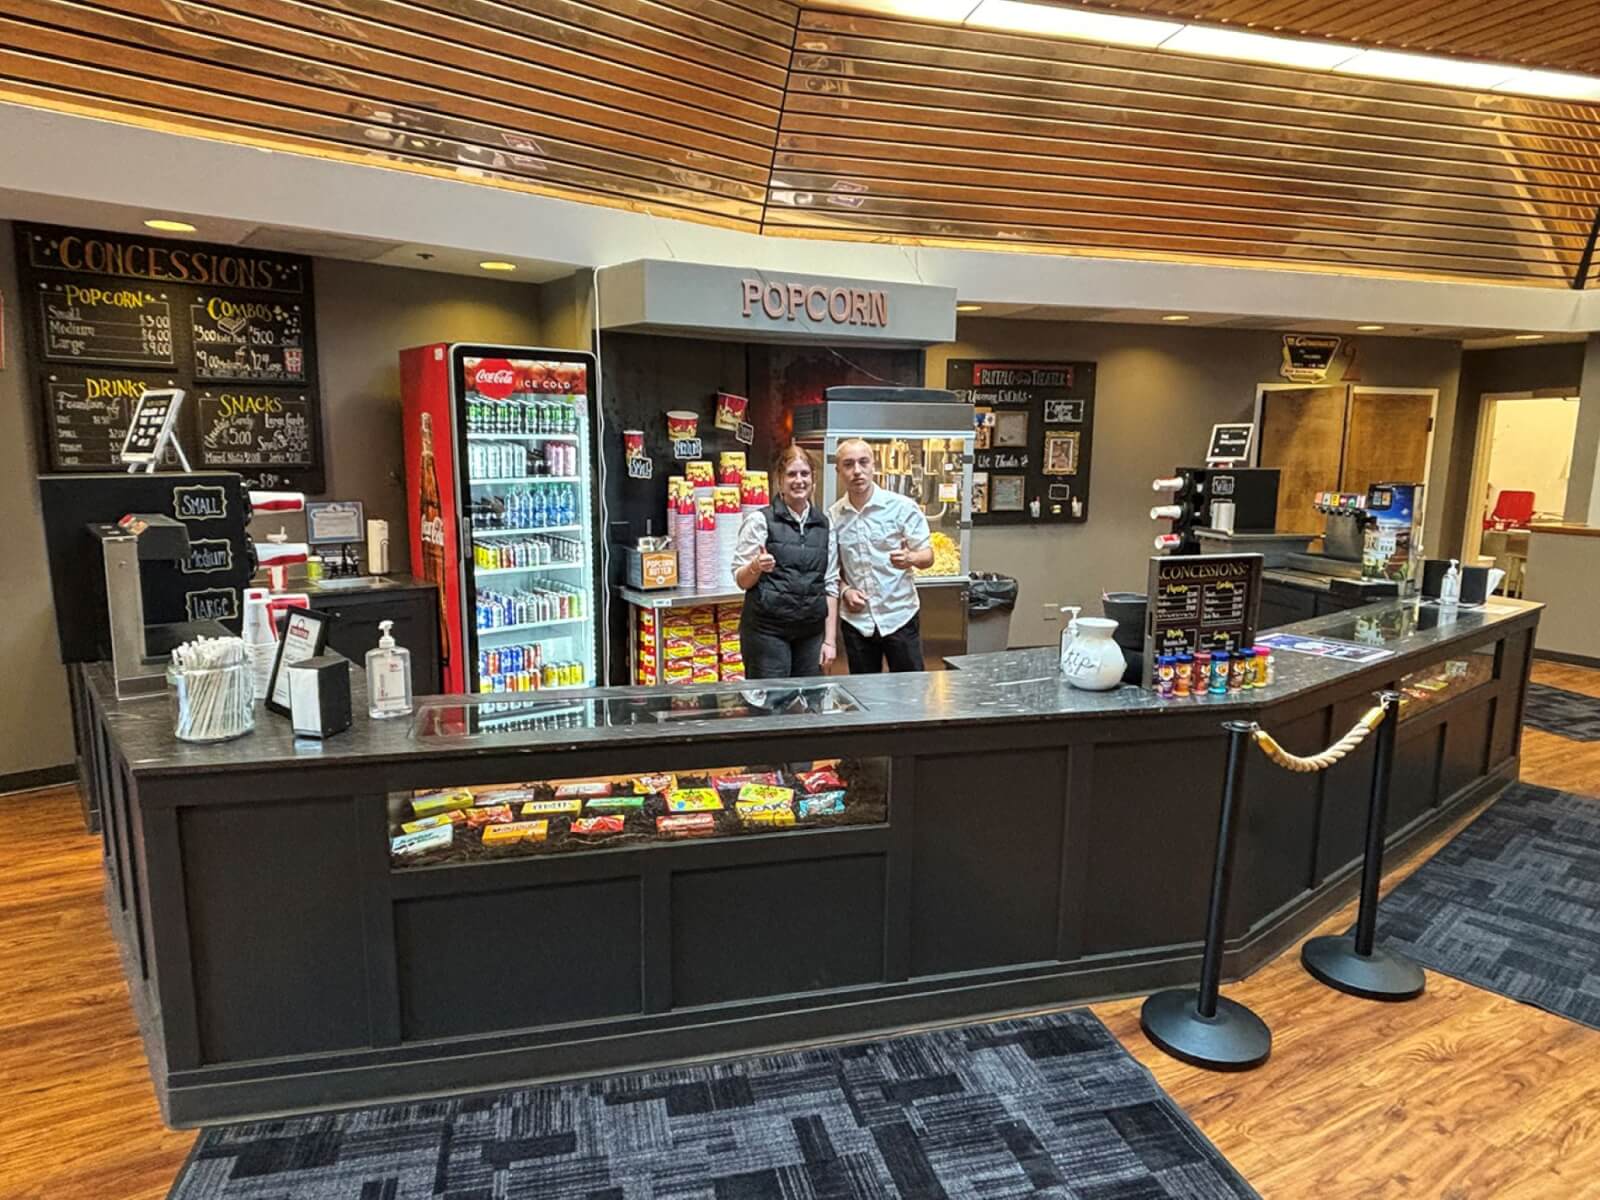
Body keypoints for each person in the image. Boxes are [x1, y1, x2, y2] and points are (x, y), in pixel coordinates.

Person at [731, 444, 840, 679]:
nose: (799, 480)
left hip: (810, 632)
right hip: (767, 632)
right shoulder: (760, 521)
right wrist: (755, 567)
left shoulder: (825, 524)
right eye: (791, 474)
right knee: (770, 704)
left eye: (805, 474)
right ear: (780, 480)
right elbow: (741, 580)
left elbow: (830, 585)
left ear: (813, 479)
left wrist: (829, 641)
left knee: (809, 703)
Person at [831, 438, 934, 673]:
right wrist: (845, 591)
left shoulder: (902, 507)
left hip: (900, 615)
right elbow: (830, 572)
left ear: (873, 466)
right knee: (866, 696)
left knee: (911, 692)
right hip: (857, 622)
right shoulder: (833, 517)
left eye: (863, 462)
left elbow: (928, 556)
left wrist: (911, 558)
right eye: (848, 464)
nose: (857, 471)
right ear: (838, 471)